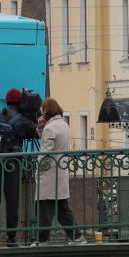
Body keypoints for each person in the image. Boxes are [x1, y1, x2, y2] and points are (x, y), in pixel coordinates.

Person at [33, 98, 83, 245]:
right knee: (62, 208)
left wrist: (38, 167)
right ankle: (78, 237)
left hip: (48, 175)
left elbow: (45, 152)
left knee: (43, 207)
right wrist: (40, 128)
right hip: (60, 172)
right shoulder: (63, 124)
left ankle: (42, 240)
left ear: (46, 110)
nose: (41, 112)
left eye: (42, 110)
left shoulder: (50, 128)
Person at [0, 88, 25, 248]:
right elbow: (33, 134)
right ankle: (11, 238)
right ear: (19, 102)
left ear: (7, 100)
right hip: (11, 163)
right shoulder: (22, 119)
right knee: (12, 201)